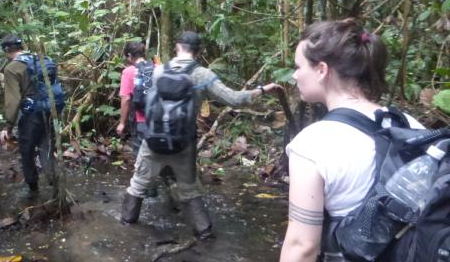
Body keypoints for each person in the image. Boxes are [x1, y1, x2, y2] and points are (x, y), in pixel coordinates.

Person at [279, 19, 423, 262]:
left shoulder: (313, 144)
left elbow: (302, 247)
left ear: (321, 70)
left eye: (298, 66)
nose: (295, 75)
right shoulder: (411, 125)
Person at [120, 31, 280, 239]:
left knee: (138, 185)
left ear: (177, 47)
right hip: (183, 144)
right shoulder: (203, 75)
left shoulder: (157, 71)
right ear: (198, 51)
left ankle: (126, 228)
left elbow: (142, 100)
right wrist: (262, 89)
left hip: (152, 140)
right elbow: (234, 99)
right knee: (190, 190)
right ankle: (205, 234)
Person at [0, 34, 55, 196]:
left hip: (31, 115)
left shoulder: (12, 68)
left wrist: (8, 126)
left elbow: (13, 100)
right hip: (50, 110)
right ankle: (55, 185)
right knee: (46, 148)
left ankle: (33, 189)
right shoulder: (40, 59)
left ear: (7, 50)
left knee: (27, 150)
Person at [117, 41, 152, 153]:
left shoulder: (128, 72)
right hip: (160, 120)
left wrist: (122, 123)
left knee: (140, 155)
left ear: (129, 55)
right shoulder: (157, 67)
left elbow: (126, 99)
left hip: (141, 121)